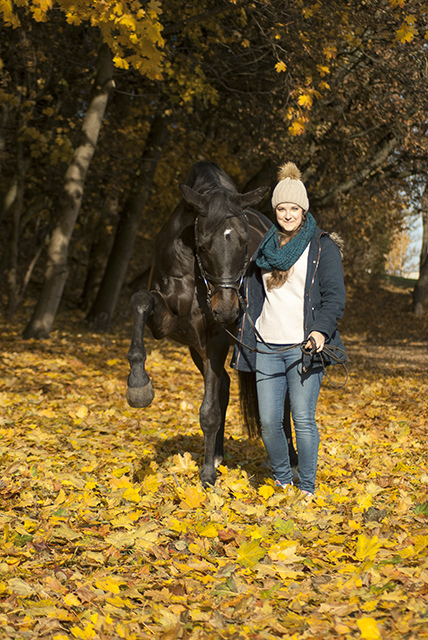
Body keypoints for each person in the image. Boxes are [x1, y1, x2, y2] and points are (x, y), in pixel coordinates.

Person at [231, 161, 347, 496]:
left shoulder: (322, 247)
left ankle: (307, 487)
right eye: (281, 208)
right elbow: (251, 293)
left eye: (293, 208)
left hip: (303, 348)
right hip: (266, 345)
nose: (287, 214)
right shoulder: (264, 250)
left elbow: (334, 298)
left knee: (303, 421)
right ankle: (283, 478)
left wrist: (320, 332)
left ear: (303, 209)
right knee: (269, 423)